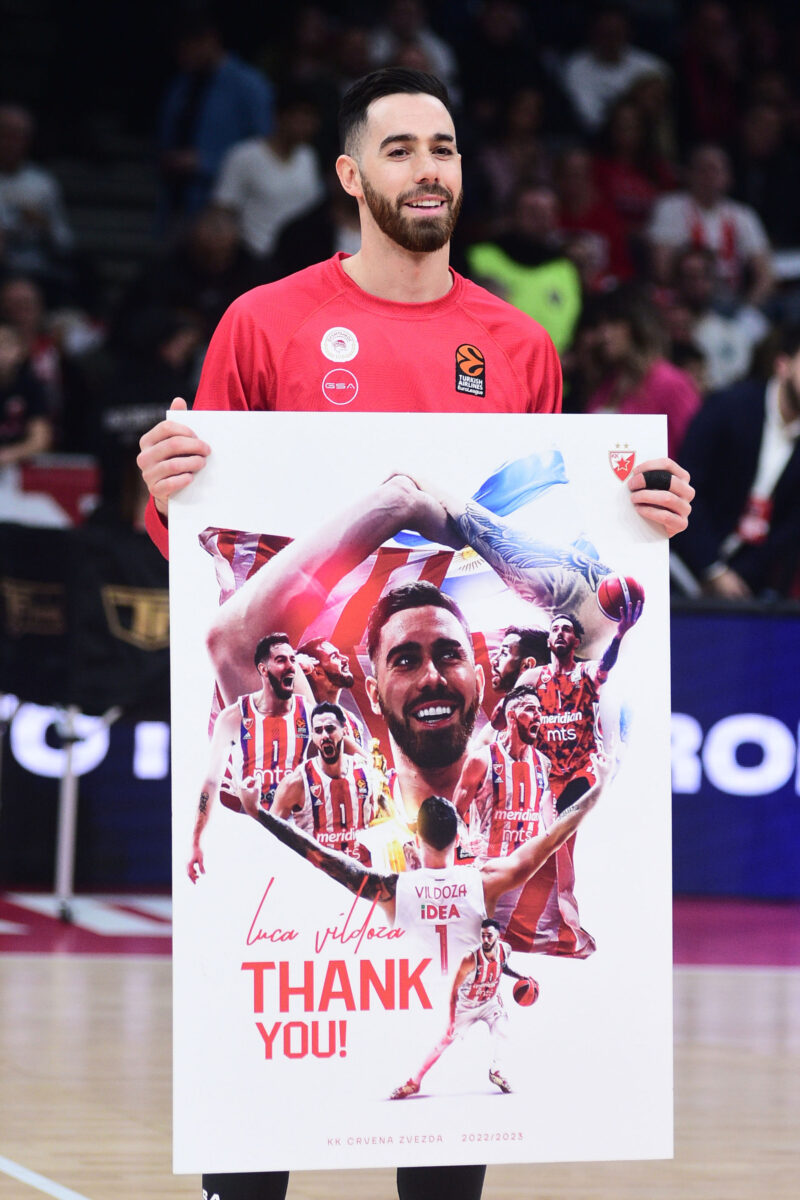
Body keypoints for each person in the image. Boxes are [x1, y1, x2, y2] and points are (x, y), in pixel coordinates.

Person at [136, 65, 693, 1200]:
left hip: (443, 893)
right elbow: (191, 538)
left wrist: (642, 516)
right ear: (348, 175)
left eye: (440, 147)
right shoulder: (266, 323)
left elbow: (572, 559)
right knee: (254, 1148)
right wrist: (166, 480)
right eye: (397, 150)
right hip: (283, 921)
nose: (425, 169)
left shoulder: (515, 344)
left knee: (439, 1168)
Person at [671, 321, 800, 601]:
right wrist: (712, 569)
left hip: (747, 585)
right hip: (682, 563)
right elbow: (687, 484)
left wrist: (739, 578)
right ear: (783, 364)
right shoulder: (728, 407)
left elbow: (789, 528)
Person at [187, 632, 313, 884]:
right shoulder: (233, 717)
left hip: (298, 839)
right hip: (251, 839)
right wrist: (196, 842)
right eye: (281, 660)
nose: (290, 665)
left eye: (293, 659)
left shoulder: (308, 713)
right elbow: (210, 785)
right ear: (263, 669)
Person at [453, 685, 555, 935]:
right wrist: (465, 840)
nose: (539, 716)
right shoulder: (481, 760)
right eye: (531, 710)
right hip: (488, 874)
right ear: (511, 715)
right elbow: (453, 813)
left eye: (540, 711)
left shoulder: (543, 763)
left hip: (527, 879)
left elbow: (547, 818)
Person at [390, 918, 527, 1099]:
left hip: (490, 1001)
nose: (485, 940)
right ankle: (414, 1082)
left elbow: (503, 967)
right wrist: (452, 1019)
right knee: (443, 1042)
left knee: (502, 1026)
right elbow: (454, 991)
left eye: (489, 936)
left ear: (498, 937)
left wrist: (520, 976)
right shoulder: (470, 959)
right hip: (467, 1005)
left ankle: (497, 1071)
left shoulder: (505, 950)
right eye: (483, 936)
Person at [263, 701, 375, 863]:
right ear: (313, 736)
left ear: (344, 731)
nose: (325, 736)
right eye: (318, 731)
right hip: (318, 880)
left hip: (362, 878)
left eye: (330, 729)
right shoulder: (296, 782)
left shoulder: (367, 774)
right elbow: (269, 838)